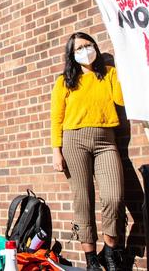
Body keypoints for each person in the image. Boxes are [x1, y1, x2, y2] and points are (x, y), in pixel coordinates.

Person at [50, 32, 125, 271]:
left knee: (114, 197)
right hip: (74, 141)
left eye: (88, 45)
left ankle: (110, 251)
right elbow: (56, 117)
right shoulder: (65, 81)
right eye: (79, 48)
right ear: (72, 55)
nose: (85, 50)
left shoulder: (109, 74)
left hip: (106, 140)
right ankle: (91, 258)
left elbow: (121, 101)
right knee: (83, 199)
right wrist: (56, 150)